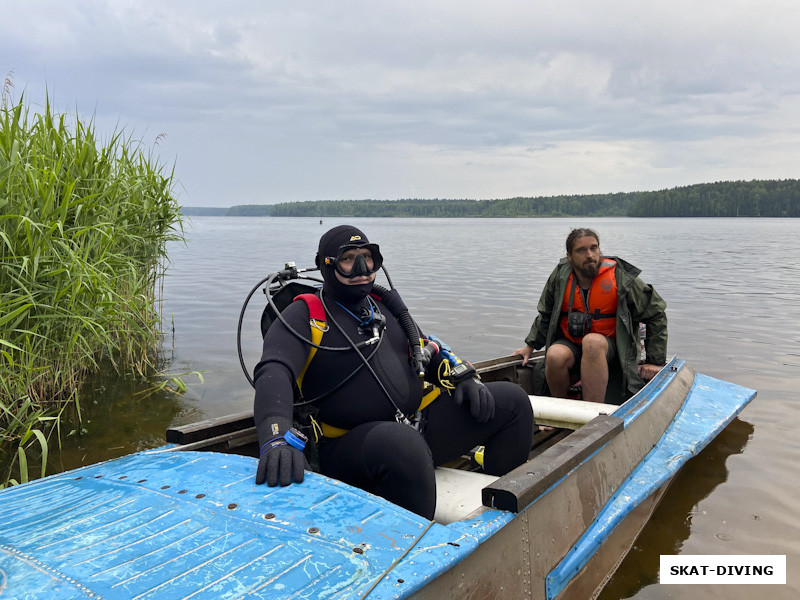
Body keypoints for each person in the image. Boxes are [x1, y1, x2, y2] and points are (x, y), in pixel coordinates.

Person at [253, 225, 534, 519]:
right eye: (349, 259)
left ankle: (499, 513)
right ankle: (416, 550)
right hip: (348, 449)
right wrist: (275, 433)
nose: (362, 269)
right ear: (327, 264)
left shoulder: (384, 308)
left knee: (512, 401)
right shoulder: (305, 316)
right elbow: (274, 369)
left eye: (367, 257)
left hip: (415, 429)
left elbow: (423, 349)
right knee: (402, 444)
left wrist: (461, 377)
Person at [513, 228, 667, 404]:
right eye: (581, 250)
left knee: (592, 342)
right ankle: (561, 411)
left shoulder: (620, 277)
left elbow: (656, 312)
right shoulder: (560, 276)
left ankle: (591, 415)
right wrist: (530, 346)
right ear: (569, 255)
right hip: (572, 344)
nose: (590, 255)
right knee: (554, 354)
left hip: (611, 348)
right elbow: (546, 314)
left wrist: (655, 361)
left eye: (594, 248)